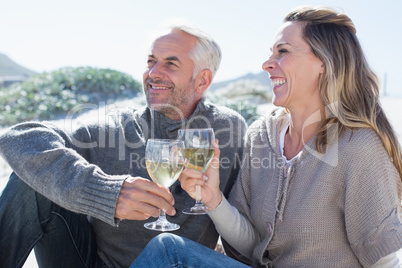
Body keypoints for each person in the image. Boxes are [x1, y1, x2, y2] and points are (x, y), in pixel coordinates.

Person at [131, 6, 402, 268]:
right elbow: (254, 246)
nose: (267, 64)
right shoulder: (261, 135)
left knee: (169, 252)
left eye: (282, 52)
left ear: (324, 61)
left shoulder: (359, 147)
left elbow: (384, 260)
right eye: (270, 53)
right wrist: (212, 198)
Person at [0, 22, 247, 267]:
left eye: (170, 64)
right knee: (27, 180)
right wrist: (104, 192)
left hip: (176, 261)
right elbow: (19, 138)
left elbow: (242, 221)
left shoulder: (227, 129)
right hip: (89, 262)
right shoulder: (114, 125)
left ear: (202, 81)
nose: (153, 73)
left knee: (168, 249)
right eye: (151, 61)